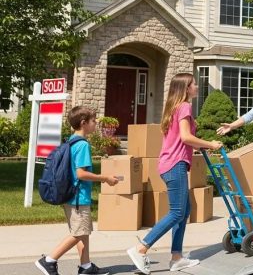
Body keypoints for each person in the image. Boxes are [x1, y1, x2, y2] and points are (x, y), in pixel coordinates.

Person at [127, 73, 222, 274]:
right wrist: (210, 144)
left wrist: (199, 146)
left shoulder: (173, 108)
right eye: (194, 84)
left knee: (184, 212)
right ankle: (141, 248)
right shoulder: (185, 107)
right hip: (175, 164)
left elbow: (180, 139)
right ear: (186, 88)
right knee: (177, 212)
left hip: (169, 164)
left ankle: (177, 257)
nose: (197, 86)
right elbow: (187, 137)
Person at [35, 106, 119, 275]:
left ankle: (86, 266)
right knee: (79, 232)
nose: (96, 124)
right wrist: (105, 178)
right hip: (79, 198)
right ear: (84, 123)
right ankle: (49, 260)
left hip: (69, 196)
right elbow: (81, 174)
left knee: (81, 232)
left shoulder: (71, 141)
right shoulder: (82, 145)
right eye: (94, 121)